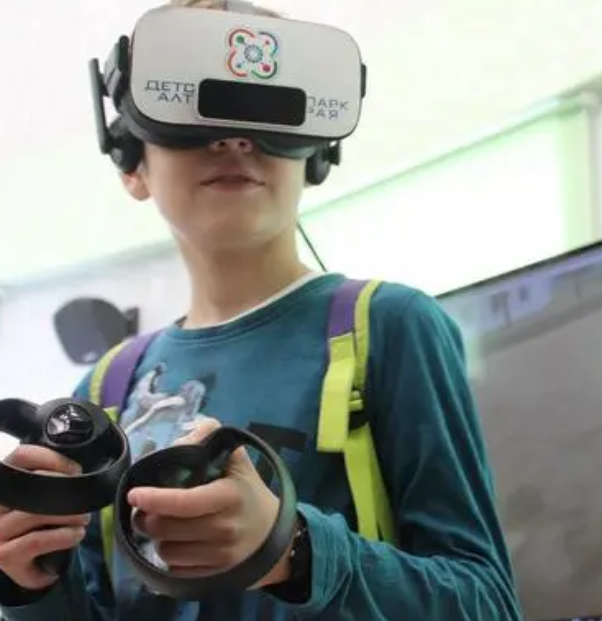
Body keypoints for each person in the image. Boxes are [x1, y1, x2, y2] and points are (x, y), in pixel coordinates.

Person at [0, 1, 523, 620]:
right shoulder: (105, 387)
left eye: (270, 110)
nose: (234, 139)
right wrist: (27, 580)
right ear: (131, 160)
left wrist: (291, 549)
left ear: (316, 155)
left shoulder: (390, 325)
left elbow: (486, 602)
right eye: (189, 110)